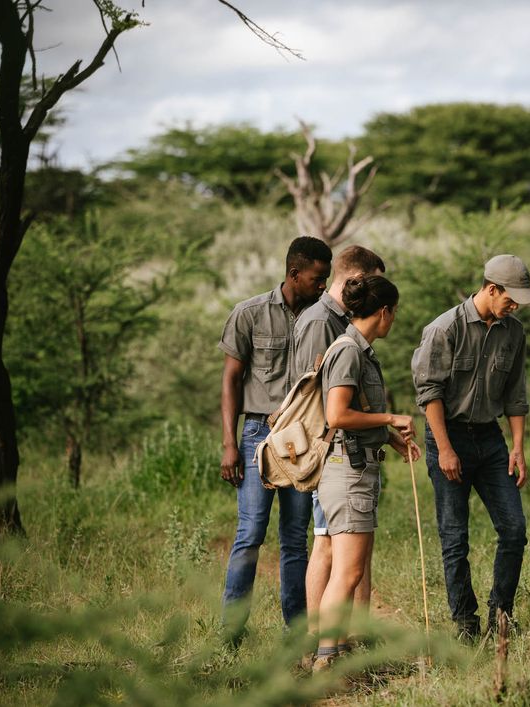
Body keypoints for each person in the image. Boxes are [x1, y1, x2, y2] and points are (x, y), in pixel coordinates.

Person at [411, 254, 530, 641]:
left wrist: (517, 447)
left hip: (490, 439)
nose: (514, 307)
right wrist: (445, 450)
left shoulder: (514, 333)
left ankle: (501, 615)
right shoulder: (444, 328)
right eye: (510, 299)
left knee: (514, 529)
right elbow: (429, 393)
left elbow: (515, 394)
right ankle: (465, 623)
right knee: (455, 537)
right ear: (491, 289)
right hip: (447, 435)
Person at [218, 236, 332, 642]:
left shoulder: (323, 319)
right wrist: (229, 444)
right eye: (317, 278)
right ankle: (230, 632)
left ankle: (296, 633)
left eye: (327, 278)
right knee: (250, 533)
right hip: (257, 436)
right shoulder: (249, 313)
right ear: (294, 273)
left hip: (304, 440)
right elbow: (231, 380)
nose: (323, 285)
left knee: (295, 539)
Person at [312, 275, 419, 671]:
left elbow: (355, 414)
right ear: (384, 311)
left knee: (350, 570)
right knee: (347, 571)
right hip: (347, 472)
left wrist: (390, 438)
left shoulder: (359, 350)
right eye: (395, 312)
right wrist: (390, 417)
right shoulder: (348, 350)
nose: (395, 319)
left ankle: (336, 654)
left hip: (357, 467)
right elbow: (337, 415)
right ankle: (325, 661)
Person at [293, 245, 386, 654]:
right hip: (334, 455)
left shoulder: (345, 329)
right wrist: (385, 421)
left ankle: (341, 643)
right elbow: (324, 404)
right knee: (331, 551)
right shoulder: (328, 328)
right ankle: (323, 648)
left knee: (344, 556)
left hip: (348, 452)